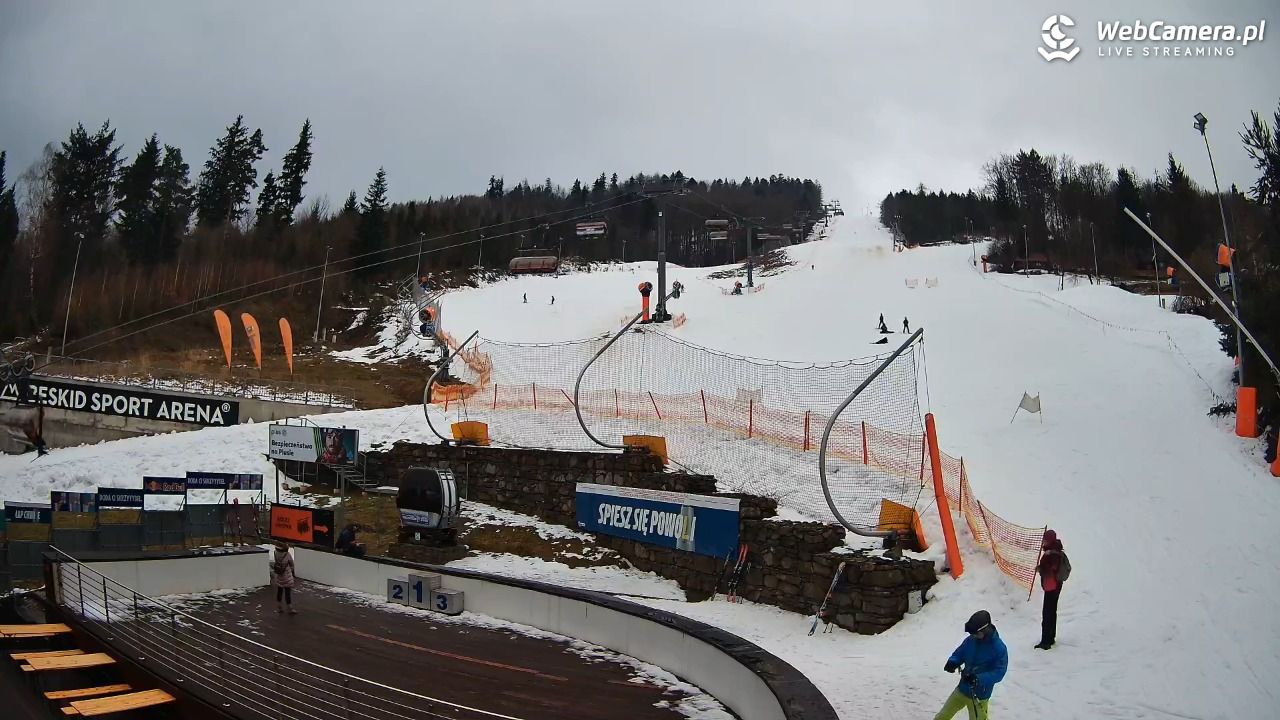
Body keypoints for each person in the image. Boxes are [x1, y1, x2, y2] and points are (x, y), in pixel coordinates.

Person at [936, 610, 1007, 719]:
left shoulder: (999, 648)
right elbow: (960, 652)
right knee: (942, 716)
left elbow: (999, 673)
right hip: (962, 689)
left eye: (976, 633)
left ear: (986, 630)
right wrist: (953, 661)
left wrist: (978, 678)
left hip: (980, 696)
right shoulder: (971, 640)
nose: (974, 636)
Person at [1036, 529, 1070, 649]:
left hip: (1052, 586)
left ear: (1049, 540)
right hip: (1055, 586)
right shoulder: (1056, 551)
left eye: (1045, 540)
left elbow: (1051, 569)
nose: (1043, 542)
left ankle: (1046, 641)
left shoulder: (1052, 554)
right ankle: (1050, 638)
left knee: (1047, 613)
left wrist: (1041, 569)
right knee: (1051, 612)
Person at [271, 542, 297, 614]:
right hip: (287, 576)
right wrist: (291, 570)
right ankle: (290, 608)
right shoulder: (287, 554)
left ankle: (279, 607)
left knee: (279, 591)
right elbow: (292, 564)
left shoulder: (275, 552)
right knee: (287, 592)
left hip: (279, 574)